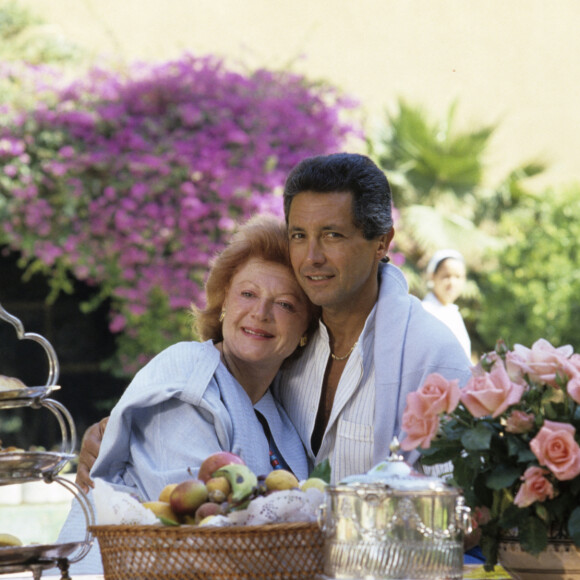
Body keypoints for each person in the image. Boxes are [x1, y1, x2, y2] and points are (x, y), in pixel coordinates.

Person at [76, 153, 473, 489]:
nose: (311, 256)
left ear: (382, 242)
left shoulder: (430, 354)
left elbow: (460, 504)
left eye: (332, 235)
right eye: (299, 235)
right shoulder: (278, 354)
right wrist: (110, 436)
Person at [56, 214, 318, 574]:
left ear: (306, 327)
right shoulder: (186, 373)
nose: (261, 313)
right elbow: (197, 536)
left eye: (285, 304)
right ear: (224, 301)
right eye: (248, 293)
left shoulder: (280, 412)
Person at [421, 249, 471, 360]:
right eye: (446, 276)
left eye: (458, 277)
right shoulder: (424, 312)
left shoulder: (453, 313)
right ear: (432, 276)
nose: (452, 283)